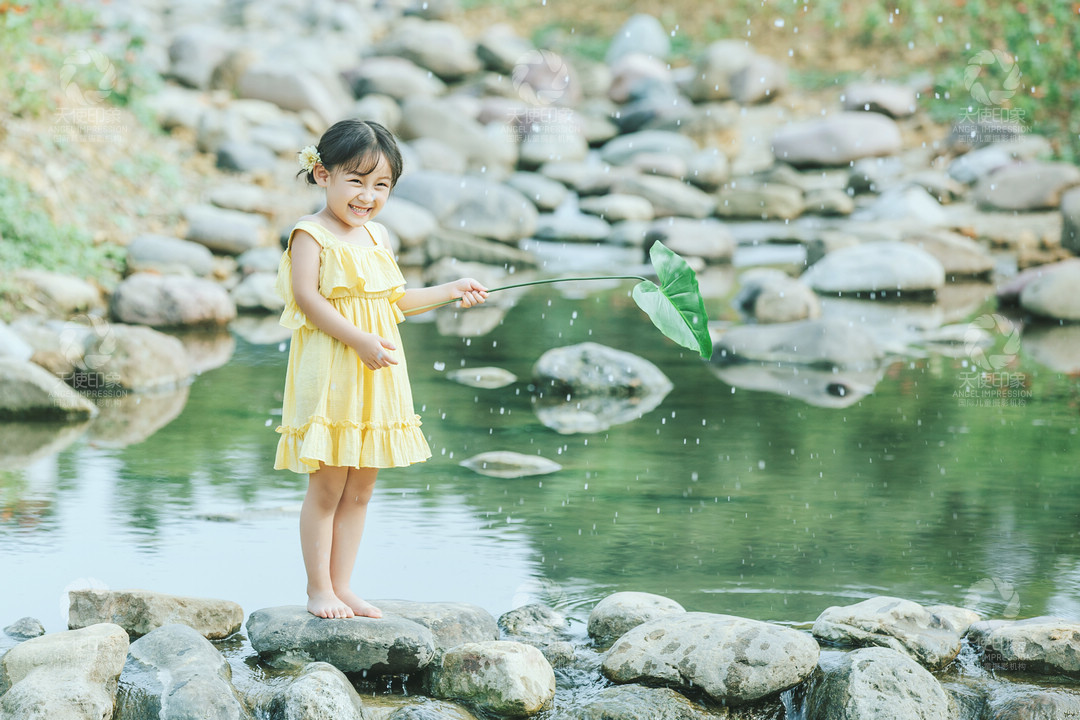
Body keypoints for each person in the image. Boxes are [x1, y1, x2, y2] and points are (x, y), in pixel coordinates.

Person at [274, 119, 488, 619]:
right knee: (328, 486)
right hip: (333, 371)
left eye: (381, 185)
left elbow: (394, 300)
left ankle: (344, 585)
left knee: (361, 489)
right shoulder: (310, 234)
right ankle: (318, 589)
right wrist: (359, 340)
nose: (367, 196)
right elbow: (306, 299)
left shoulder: (377, 236)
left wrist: (451, 289)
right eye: (356, 181)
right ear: (323, 174)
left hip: (375, 373)